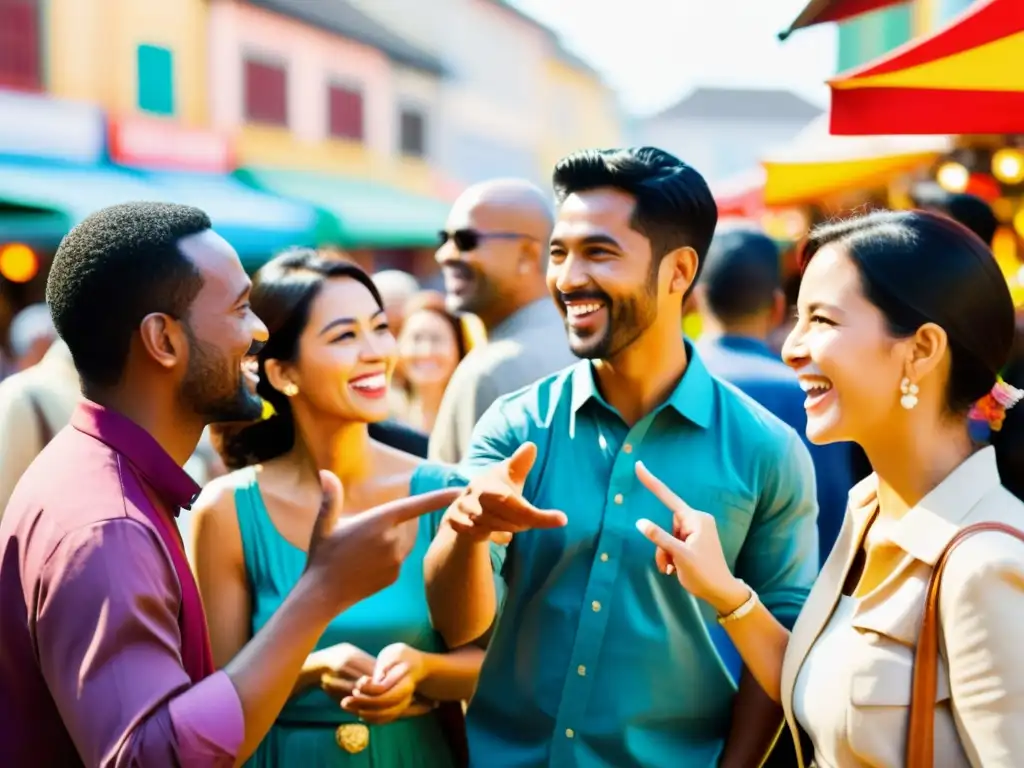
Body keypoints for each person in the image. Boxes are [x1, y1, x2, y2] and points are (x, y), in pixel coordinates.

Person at [0, 202, 458, 767]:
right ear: (163, 341)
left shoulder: (102, 480)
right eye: (240, 309)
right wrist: (319, 593)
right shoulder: (107, 524)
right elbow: (149, 757)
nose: (260, 331)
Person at [425, 148, 820, 767]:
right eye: (559, 253)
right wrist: (465, 536)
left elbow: (785, 653)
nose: (567, 278)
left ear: (678, 271)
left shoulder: (764, 452)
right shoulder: (515, 424)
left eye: (598, 253)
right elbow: (459, 628)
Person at [635, 210, 1024, 768]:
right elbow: (822, 692)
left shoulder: (989, 567)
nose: (791, 346)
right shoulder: (867, 510)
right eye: (796, 317)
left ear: (921, 349)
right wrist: (727, 593)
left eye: (822, 320)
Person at [194, 251, 482, 766]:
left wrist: (421, 669)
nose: (375, 352)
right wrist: (310, 667)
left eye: (379, 328)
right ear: (283, 373)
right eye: (345, 336)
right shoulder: (228, 510)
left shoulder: (448, 491)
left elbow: (495, 663)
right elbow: (214, 700)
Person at [696, 227, 853, 564]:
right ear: (779, 305)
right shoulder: (810, 391)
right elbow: (832, 520)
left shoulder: (668, 384)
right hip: (792, 606)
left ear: (696, 297)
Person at [429, 178, 575, 464]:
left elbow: (468, 501)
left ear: (528, 254)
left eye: (466, 240)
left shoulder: (493, 371)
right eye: (443, 239)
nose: (444, 255)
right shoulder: (581, 343)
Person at [391, 290, 471, 433]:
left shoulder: (473, 419)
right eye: (416, 338)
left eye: (436, 339)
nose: (426, 351)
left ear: (458, 348)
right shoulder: (385, 417)